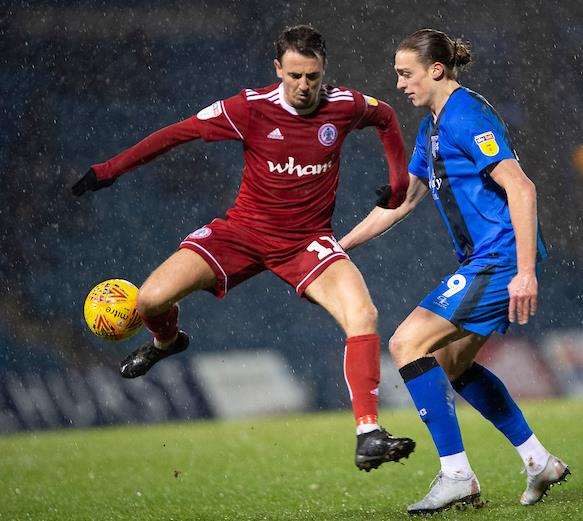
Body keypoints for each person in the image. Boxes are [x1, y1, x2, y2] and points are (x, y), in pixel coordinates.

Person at [72, 25, 415, 470]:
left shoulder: (345, 106)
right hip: (242, 233)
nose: (304, 86)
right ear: (278, 69)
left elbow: (386, 115)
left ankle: (368, 433)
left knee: (363, 314)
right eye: (295, 75)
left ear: (323, 70)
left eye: (312, 76)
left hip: (306, 241)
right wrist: (108, 170)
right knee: (151, 299)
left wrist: (398, 180)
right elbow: (179, 132)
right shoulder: (248, 108)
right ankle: (167, 341)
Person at [339, 29, 570, 513]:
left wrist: (524, 271)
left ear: (436, 70)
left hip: (501, 257)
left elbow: (522, 189)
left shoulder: (467, 114)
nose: (400, 84)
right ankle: (537, 460)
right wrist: (337, 247)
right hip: (485, 259)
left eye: (406, 73)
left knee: (407, 343)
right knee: (453, 365)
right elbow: (402, 201)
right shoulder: (431, 129)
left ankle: (457, 476)